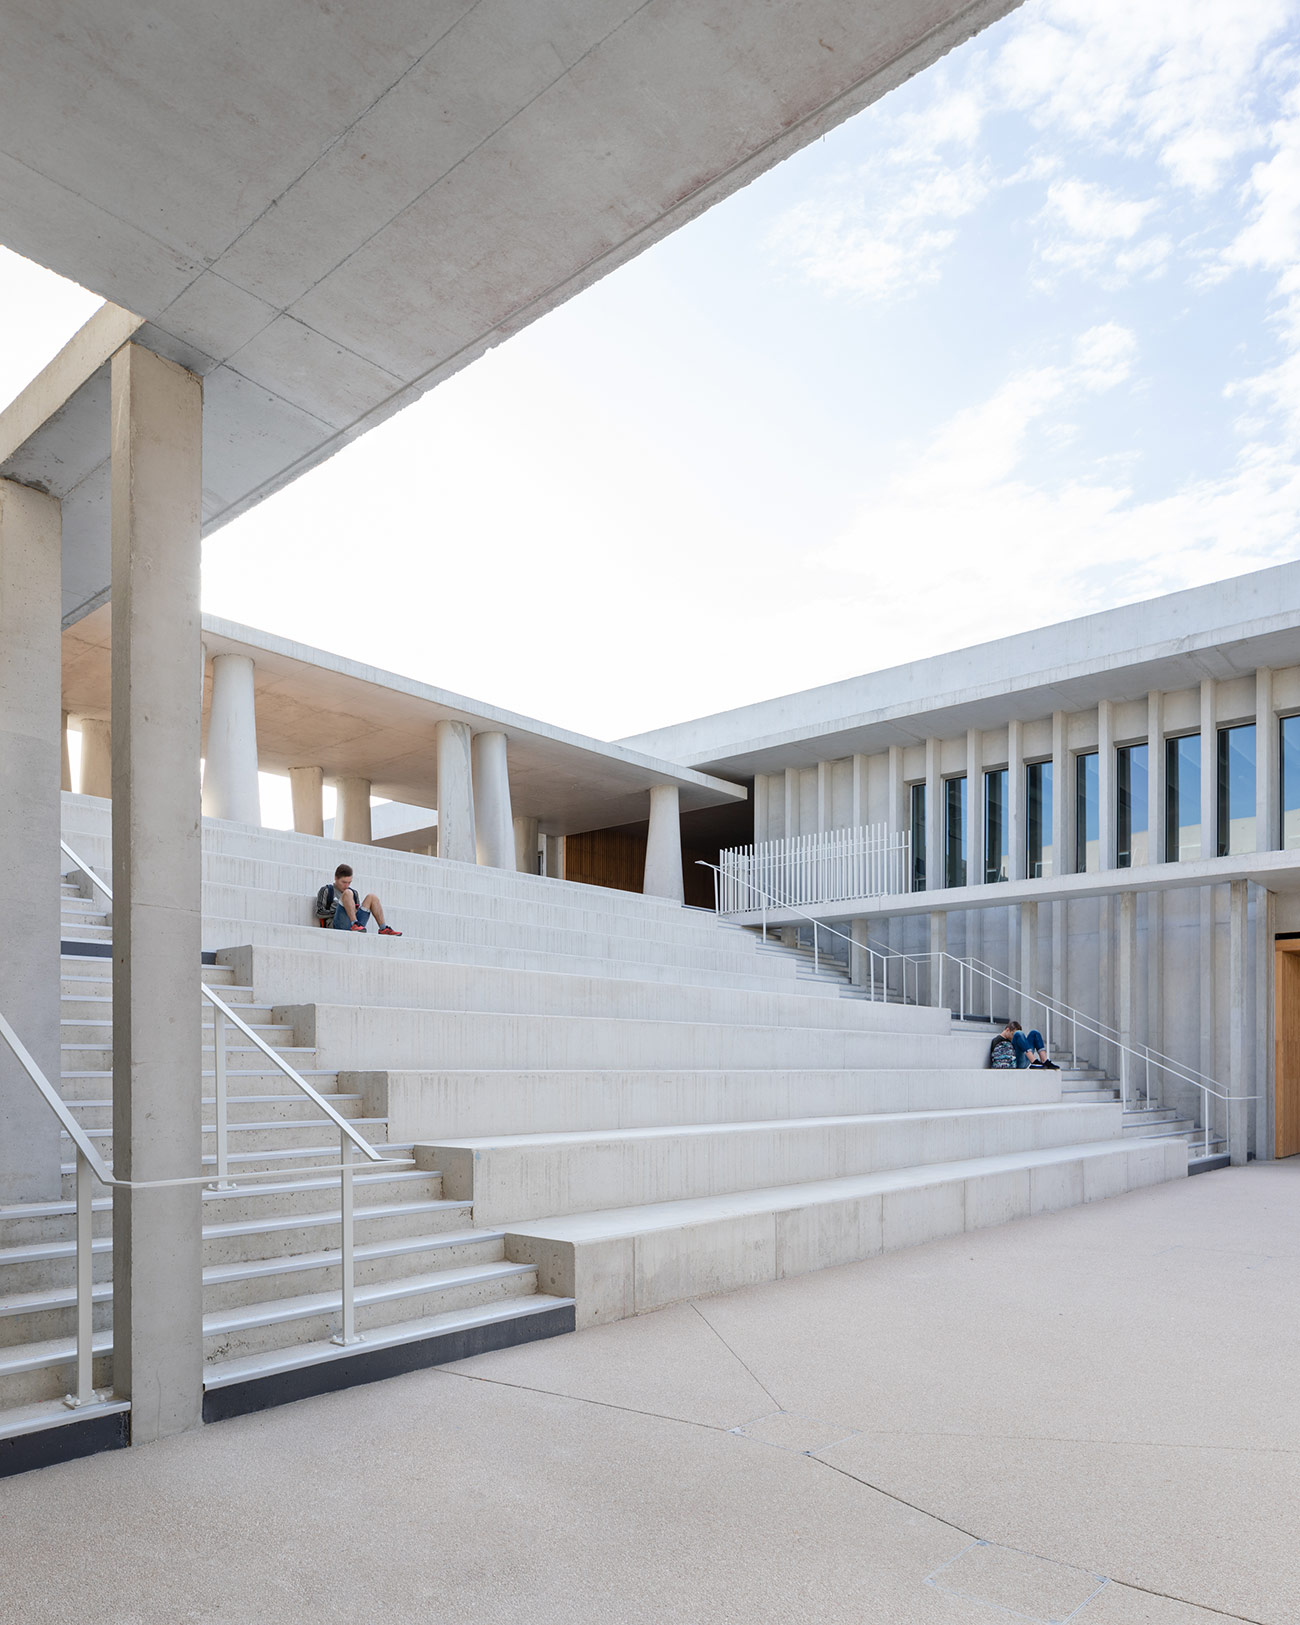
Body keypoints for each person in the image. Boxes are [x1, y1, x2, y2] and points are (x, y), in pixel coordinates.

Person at [315, 864, 402, 935]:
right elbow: (319, 912)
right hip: (337, 924)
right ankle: (354, 924)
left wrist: (353, 911)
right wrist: (340, 910)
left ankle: (383, 928)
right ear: (336, 878)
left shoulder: (354, 893)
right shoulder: (327, 890)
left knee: (372, 897)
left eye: (349, 882)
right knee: (348, 893)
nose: (346, 886)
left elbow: (355, 911)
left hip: (355, 924)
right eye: (344, 882)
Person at [992, 1020, 1058, 1069]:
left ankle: (1044, 1061)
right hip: (1015, 1062)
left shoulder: (1012, 1040)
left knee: (1034, 1033)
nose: (1013, 1037)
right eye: (1012, 1034)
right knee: (1018, 1034)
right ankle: (1034, 1062)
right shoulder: (997, 1040)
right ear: (1007, 1030)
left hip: (1024, 1059)